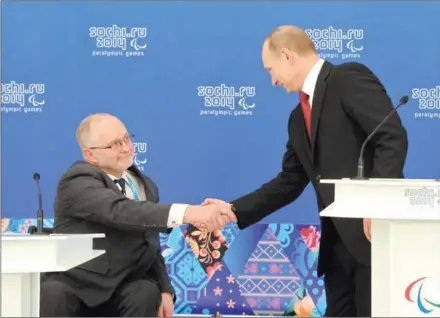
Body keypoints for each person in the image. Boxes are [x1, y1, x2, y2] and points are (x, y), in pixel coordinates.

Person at [202, 25, 408, 317]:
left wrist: (378, 204)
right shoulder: (298, 118)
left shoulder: (347, 78)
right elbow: (289, 182)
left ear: (286, 55)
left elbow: (391, 136)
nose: (272, 81)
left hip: (373, 239)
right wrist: (234, 209)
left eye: (270, 69)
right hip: (337, 249)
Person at [40, 113, 236, 317]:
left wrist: (165, 288)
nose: (126, 148)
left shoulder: (144, 185)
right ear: (90, 155)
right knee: (55, 292)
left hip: (122, 287)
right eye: (114, 144)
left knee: (145, 291)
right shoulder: (77, 180)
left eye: (126, 138)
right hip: (78, 287)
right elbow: (120, 211)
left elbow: (149, 242)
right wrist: (191, 213)